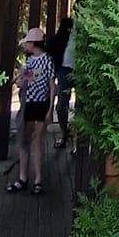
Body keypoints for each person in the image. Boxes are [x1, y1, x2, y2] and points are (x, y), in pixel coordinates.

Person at [9, 27, 54, 195]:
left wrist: (17, 79)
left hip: (31, 104)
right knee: (35, 142)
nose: (25, 45)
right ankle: (37, 180)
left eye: (27, 42)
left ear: (33, 43)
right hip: (40, 104)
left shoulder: (34, 62)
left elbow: (26, 83)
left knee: (26, 142)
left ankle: (24, 178)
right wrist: (50, 108)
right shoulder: (46, 60)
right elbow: (48, 85)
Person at [51, 13, 76, 147]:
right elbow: (55, 47)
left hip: (80, 70)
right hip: (64, 69)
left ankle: (77, 139)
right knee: (61, 105)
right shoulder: (66, 25)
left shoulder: (87, 28)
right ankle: (64, 134)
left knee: (81, 106)